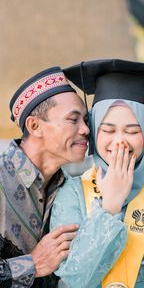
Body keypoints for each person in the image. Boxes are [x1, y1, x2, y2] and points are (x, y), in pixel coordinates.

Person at [50, 59, 144, 288]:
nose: (120, 141)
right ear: (93, 131)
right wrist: (109, 206)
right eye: (108, 130)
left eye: (132, 131)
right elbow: (75, 277)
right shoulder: (71, 193)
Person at [0, 66, 90, 287]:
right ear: (34, 126)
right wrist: (32, 264)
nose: (86, 130)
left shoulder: (72, 188)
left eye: (86, 121)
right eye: (73, 120)